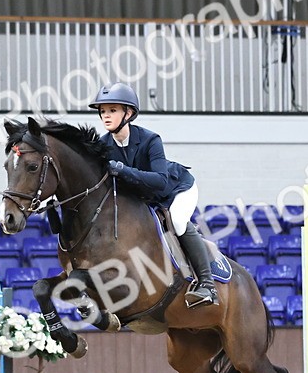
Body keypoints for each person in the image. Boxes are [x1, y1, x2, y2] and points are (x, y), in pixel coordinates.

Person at [88, 82, 218, 308]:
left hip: (176, 190)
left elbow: (160, 181)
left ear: (128, 113)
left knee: (178, 221)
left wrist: (123, 169)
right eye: (103, 111)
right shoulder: (103, 145)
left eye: (112, 110)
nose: (106, 116)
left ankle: (207, 284)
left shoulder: (150, 140)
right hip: (145, 197)